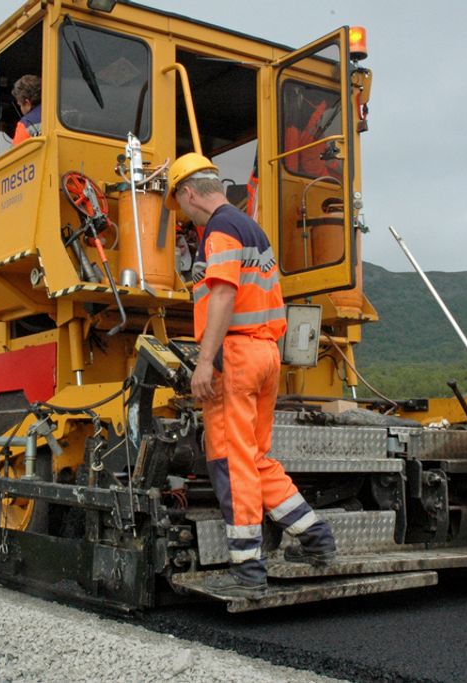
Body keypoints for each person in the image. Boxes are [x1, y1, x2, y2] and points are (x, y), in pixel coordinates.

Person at [166, 152, 337, 599]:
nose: (181, 212)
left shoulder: (219, 231)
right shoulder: (251, 228)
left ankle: (246, 569)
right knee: (257, 456)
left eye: (178, 203)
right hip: (266, 353)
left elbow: (222, 295)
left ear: (188, 193)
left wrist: (205, 362)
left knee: (231, 460)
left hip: (236, 355)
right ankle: (316, 536)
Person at [11, 75, 42, 145]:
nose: (20, 108)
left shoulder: (25, 123)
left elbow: (17, 154)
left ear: (27, 103)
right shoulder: (61, 112)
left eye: (20, 105)